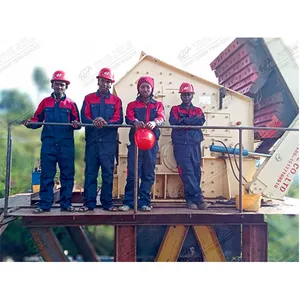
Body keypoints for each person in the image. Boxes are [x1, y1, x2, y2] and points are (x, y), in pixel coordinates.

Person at [22, 70, 81, 213]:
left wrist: (76, 124)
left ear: (66, 86)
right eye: (56, 84)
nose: (59, 87)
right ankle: (44, 205)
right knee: (47, 174)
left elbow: (78, 122)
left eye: (62, 85)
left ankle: (66, 204)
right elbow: (37, 120)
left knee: (67, 175)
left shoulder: (71, 104)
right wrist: (30, 123)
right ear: (52, 85)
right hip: (48, 143)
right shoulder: (45, 103)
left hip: (65, 144)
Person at [80, 67, 123, 212]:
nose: (104, 83)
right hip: (92, 142)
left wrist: (105, 123)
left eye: (107, 81)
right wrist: (94, 121)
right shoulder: (88, 98)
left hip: (108, 144)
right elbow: (84, 117)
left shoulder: (116, 101)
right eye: (102, 80)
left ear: (111, 83)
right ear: (98, 81)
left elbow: (118, 119)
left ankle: (107, 203)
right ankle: (88, 203)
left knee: (107, 173)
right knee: (90, 173)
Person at [119, 76, 165, 212]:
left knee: (148, 173)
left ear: (152, 89)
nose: (145, 89)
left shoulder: (158, 105)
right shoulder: (132, 105)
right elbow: (128, 117)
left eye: (148, 87)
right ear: (138, 89)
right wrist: (135, 122)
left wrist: (155, 122)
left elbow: (161, 117)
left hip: (151, 144)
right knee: (133, 172)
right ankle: (129, 202)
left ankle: (144, 202)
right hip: (136, 143)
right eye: (142, 87)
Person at [169, 82, 210, 210]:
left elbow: (200, 121)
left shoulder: (198, 110)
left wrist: (184, 120)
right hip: (181, 144)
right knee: (187, 171)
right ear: (181, 96)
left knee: (196, 172)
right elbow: (174, 122)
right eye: (184, 94)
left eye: (189, 94)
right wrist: (190, 121)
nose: (186, 97)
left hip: (194, 144)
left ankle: (190, 200)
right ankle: (199, 199)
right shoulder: (175, 109)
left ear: (192, 95)